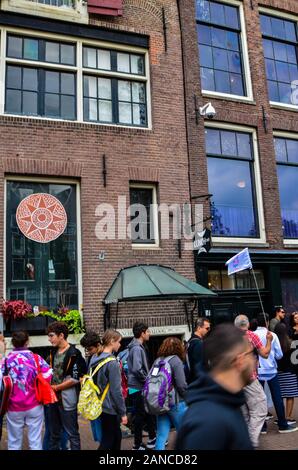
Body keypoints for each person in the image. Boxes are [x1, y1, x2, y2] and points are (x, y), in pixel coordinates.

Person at [176, 324, 254, 450]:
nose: (255, 360)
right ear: (240, 360)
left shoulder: (229, 402)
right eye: (251, 353)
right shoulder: (208, 423)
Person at [3, 331, 52, 450]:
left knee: (14, 442)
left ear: (13, 343)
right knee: (35, 441)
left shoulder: (6, 361)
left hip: (13, 406)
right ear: (27, 342)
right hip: (35, 404)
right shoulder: (36, 358)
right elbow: (48, 375)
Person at [254, 313, 298, 434]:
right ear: (267, 322)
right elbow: (279, 355)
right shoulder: (272, 335)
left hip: (258, 371)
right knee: (277, 398)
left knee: (259, 400)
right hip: (272, 371)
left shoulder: (253, 335)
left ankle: (262, 427)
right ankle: (283, 425)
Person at [234, 314, 272, 448]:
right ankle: (250, 443)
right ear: (248, 324)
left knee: (244, 413)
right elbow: (265, 354)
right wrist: (269, 340)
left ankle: (242, 441)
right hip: (248, 377)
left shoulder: (229, 338)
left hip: (234, 380)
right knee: (261, 408)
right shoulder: (251, 336)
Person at [47, 321, 87, 450]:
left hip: (67, 400)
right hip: (53, 400)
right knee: (54, 435)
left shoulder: (74, 353)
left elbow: (76, 378)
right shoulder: (53, 352)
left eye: (51, 335)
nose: (49, 339)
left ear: (61, 335)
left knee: (72, 434)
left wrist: (57, 388)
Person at [93, 329, 127, 450]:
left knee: (115, 437)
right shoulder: (112, 362)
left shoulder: (95, 358)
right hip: (110, 407)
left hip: (99, 403)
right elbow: (116, 391)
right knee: (109, 441)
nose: (120, 344)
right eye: (119, 342)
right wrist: (123, 412)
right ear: (112, 341)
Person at [153, 337, 187, 450]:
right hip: (176, 403)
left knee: (161, 436)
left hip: (160, 402)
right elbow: (181, 385)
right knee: (184, 434)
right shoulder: (176, 360)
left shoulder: (157, 361)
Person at [127, 321, 156, 450]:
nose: (149, 333)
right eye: (148, 331)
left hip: (134, 386)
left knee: (143, 413)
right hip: (137, 386)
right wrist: (147, 380)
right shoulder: (137, 348)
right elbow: (138, 369)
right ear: (142, 333)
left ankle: (151, 438)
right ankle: (137, 445)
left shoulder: (135, 347)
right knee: (140, 415)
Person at [80, 331, 102, 443]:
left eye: (90, 349)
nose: (88, 352)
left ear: (98, 345)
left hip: (101, 400)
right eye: (87, 350)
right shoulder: (92, 357)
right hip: (94, 399)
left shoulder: (103, 358)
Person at [275, 322, 298, 424]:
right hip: (289, 372)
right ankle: (288, 417)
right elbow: (295, 360)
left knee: (278, 396)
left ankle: (281, 417)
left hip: (277, 372)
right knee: (290, 396)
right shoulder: (290, 343)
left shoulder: (274, 343)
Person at [186, 317, 210, 384]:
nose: (208, 330)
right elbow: (199, 366)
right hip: (197, 383)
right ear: (199, 328)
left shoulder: (190, 341)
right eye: (207, 328)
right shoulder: (198, 343)